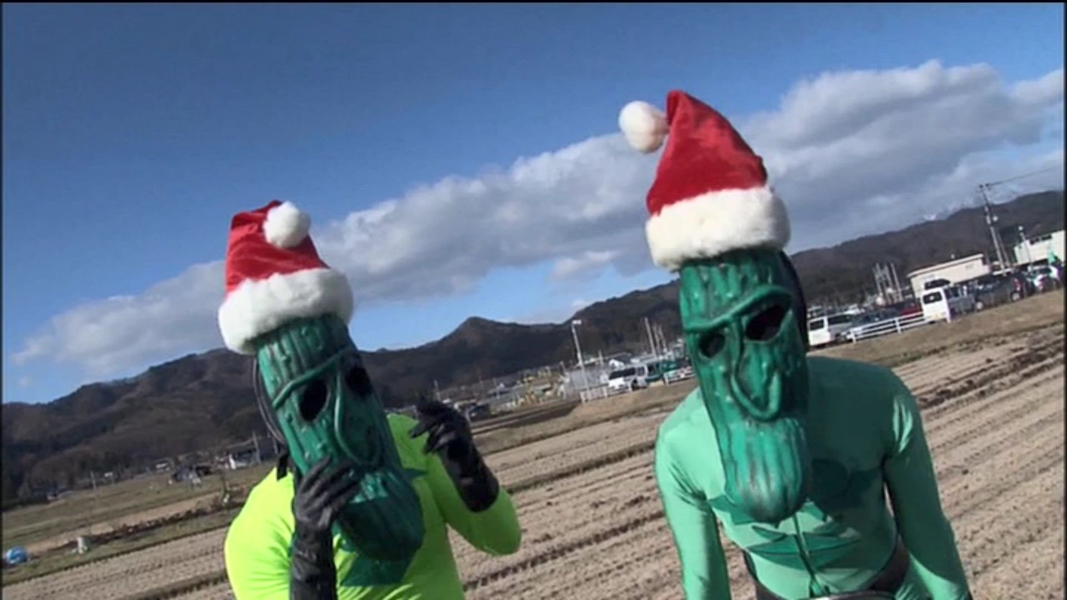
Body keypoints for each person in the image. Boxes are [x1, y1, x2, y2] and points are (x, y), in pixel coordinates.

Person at [618, 91, 972, 600]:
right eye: (716, 342)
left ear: (795, 317)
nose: (747, 376)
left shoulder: (878, 399)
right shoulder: (679, 444)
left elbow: (928, 533)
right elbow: (703, 580)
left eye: (763, 325)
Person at [218, 201, 520, 599]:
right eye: (312, 400)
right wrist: (310, 553)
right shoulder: (256, 531)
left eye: (355, 382)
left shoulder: (411, 440)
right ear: (274, 409)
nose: (345, 415)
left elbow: (503, 540)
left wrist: (469, 470)